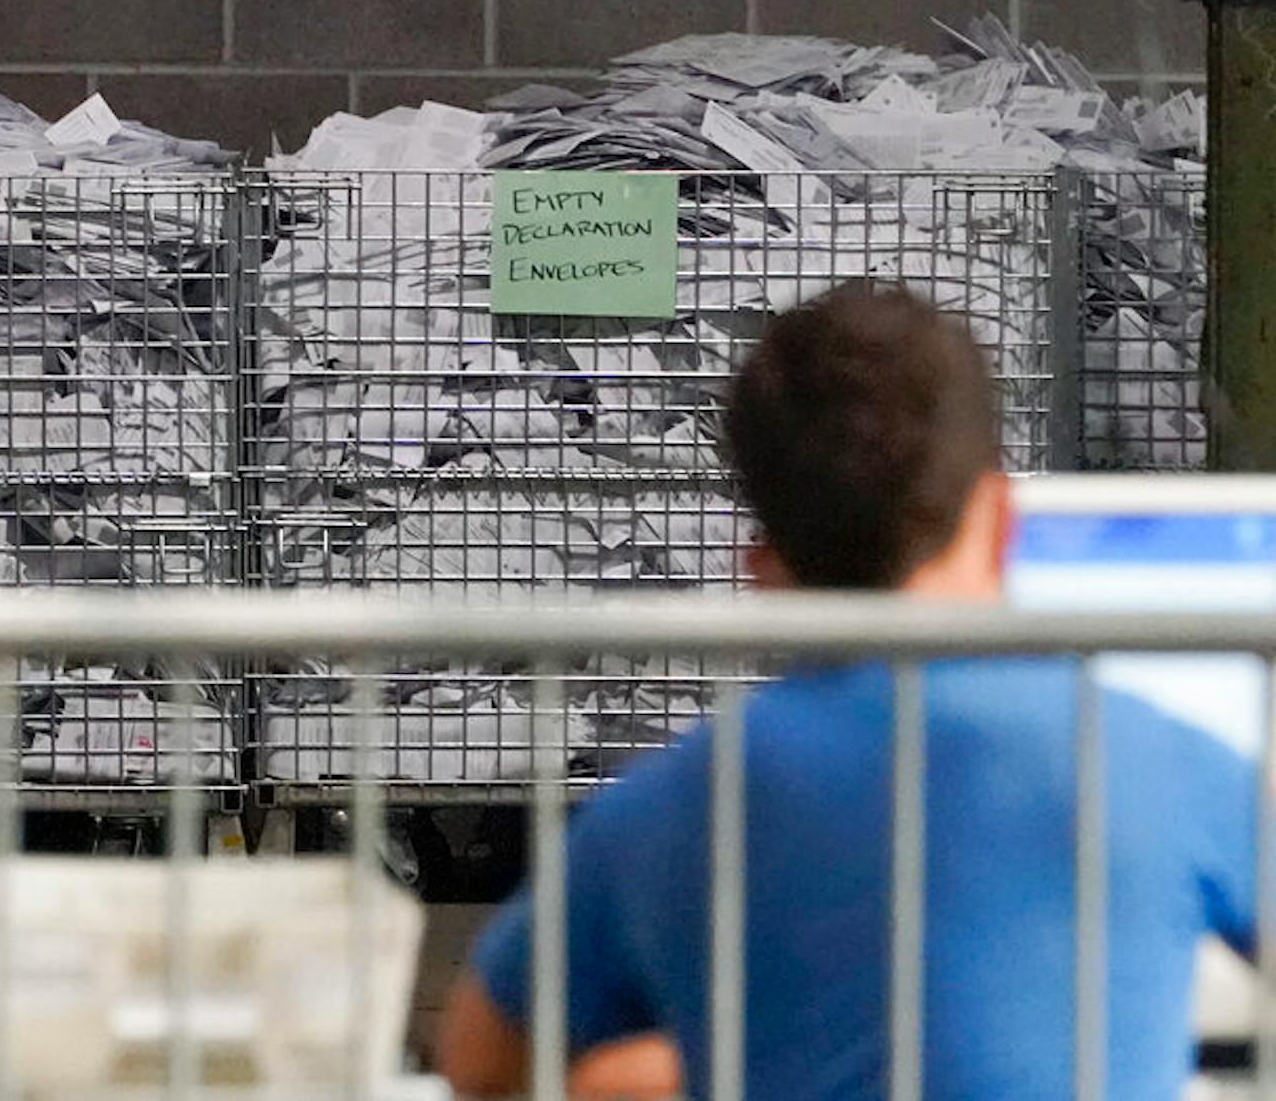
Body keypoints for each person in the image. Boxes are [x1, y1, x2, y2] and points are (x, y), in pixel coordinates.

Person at [438, 282, 1257, 1101]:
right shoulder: (1156, 760)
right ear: (1005, 518)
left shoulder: (679, 803)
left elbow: (478, 1060)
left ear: (761, 570)